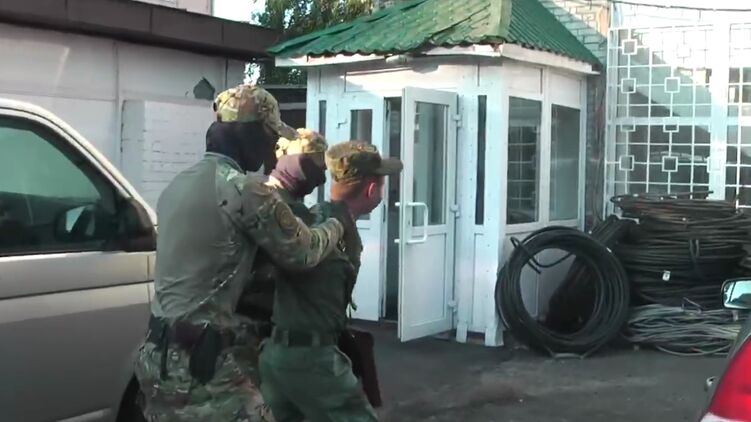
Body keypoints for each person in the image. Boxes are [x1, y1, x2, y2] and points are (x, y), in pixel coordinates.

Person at [133, 84, 347, 422]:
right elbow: (303, 253)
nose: (270, 148)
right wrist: (336, 223)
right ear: (249, 134)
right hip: (202, 366)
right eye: (270, 136)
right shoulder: (243, 189)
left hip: (155, 354)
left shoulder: (176, 185)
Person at [258, 141, 403, 422]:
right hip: (311, 360)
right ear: (371, 189)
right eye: (381, 185)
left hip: (278, 354)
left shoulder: (313, 218)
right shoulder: (330, 231)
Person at [234, 127, 329, 388]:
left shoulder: (261, 194)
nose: (319, 177)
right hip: (256, 328)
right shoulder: (267, 202)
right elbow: (303, 258)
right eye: (312, 166)